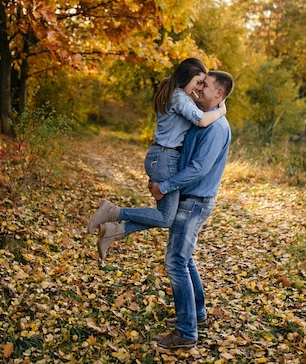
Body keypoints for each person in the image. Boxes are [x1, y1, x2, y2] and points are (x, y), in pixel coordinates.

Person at [87, 58, 226, 261]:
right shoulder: (179, 97)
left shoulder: (179, 95)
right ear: (186, 78)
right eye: (198, 82)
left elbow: (200, 110)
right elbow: (204, 120)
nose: (198, 88)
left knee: (165, 217)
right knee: (166, 218)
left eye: (202, 84)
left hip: (163, 157)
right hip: (165, 157)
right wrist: (221, 111)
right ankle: (113, 212)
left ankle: (113, 232)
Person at [148, 70, 233, 349]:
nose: (199, 90)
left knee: (176, 262)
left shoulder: (217, 128)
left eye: (205, 86)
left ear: (218, 94)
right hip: (189, 198)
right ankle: (196, 315)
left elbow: (198, 169)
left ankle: (186, 333)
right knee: (185, 260)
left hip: (195, 201)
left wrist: (166, 186)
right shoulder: (203, 120)